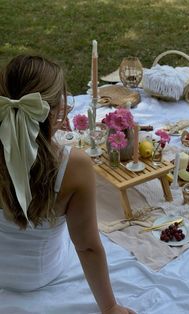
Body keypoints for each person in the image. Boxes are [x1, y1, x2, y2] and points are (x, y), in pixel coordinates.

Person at [0, 55, 136, 314]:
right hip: (41, 276)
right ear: (54, 110)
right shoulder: (74, 165)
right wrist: (109, 307)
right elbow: (86, 246)